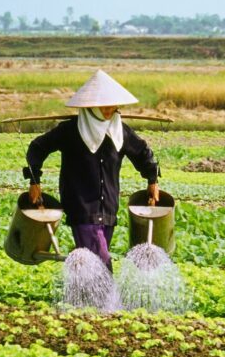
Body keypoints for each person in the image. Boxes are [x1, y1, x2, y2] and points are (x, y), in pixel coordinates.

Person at [24, 69, 159, 270]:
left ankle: (79, 288)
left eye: (112, 104)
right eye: (103, 105)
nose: (109, 109)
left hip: (109, 208)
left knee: (91, 262)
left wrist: (153, 181)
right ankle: (108, 291)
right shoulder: (70, 130)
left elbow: (143, 155)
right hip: (81, 207)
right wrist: (34, 181)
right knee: (100, 261)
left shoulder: (120, 132)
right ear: (91, 106)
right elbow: (37, 148)